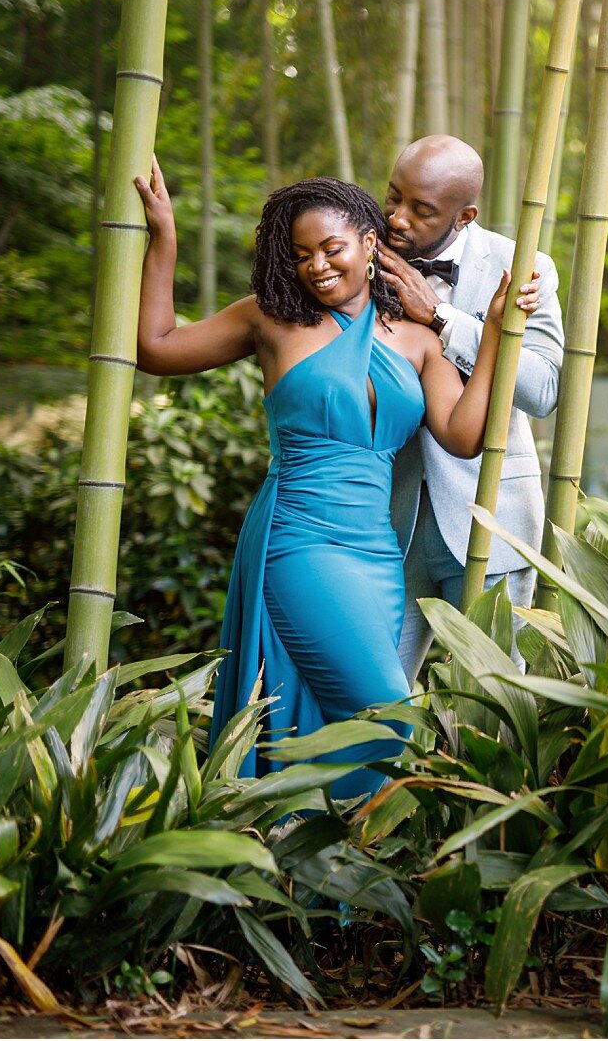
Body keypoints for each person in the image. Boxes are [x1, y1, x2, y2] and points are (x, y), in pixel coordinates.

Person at [131, 162, 539, 798]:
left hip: (376, 553)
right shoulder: (269, 319)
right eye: (300, 255)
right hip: (299, 541)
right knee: (389, 718)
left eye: (331, 248)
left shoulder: (415, 336)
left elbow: (463, 435)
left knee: (332, 718)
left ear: (370, 243)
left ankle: (315, 871)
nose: (316, 266)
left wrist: (492, 332)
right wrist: (165, 241)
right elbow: (157, 349)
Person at [375, 135, 564, 682]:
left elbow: (545, 389)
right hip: (388, 519)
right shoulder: (363, 254)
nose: (398, 218)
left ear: (465, 216)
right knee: (376, 692)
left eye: (421, 209)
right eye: (393, 197)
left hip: (493, 513)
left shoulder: (523, 265)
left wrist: (443, 319)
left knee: (498, 693)